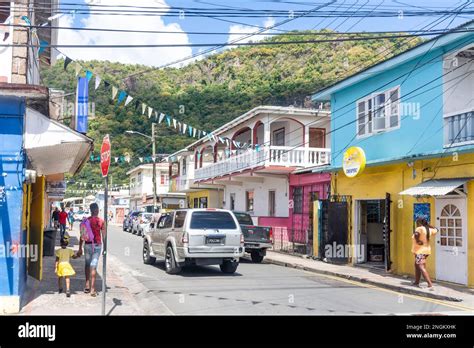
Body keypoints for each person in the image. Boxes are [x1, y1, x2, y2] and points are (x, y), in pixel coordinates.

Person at [77, 203, 105, 297]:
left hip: (88, 245)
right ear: (97, 210)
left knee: (87, 265)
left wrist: (80, 247)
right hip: (97, 245)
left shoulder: (86, 221)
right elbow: (104, 236)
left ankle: (87, 284)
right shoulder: (101, 221)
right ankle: (93, 289)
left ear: (90, 210)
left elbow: (82, 235)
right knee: (94, 266)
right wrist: (105, 248)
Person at [412, 217, 438, 288]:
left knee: (421, 266)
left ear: (419, 222)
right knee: (417, 266)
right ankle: (416, 282)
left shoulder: (419, 228)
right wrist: (428, 225)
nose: (416, 223)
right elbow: (437, 229)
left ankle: (430, 284)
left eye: (417, 221)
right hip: (426, 251)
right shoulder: (429, 229)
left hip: (420, 251)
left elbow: (416, 234)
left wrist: (418, 241)